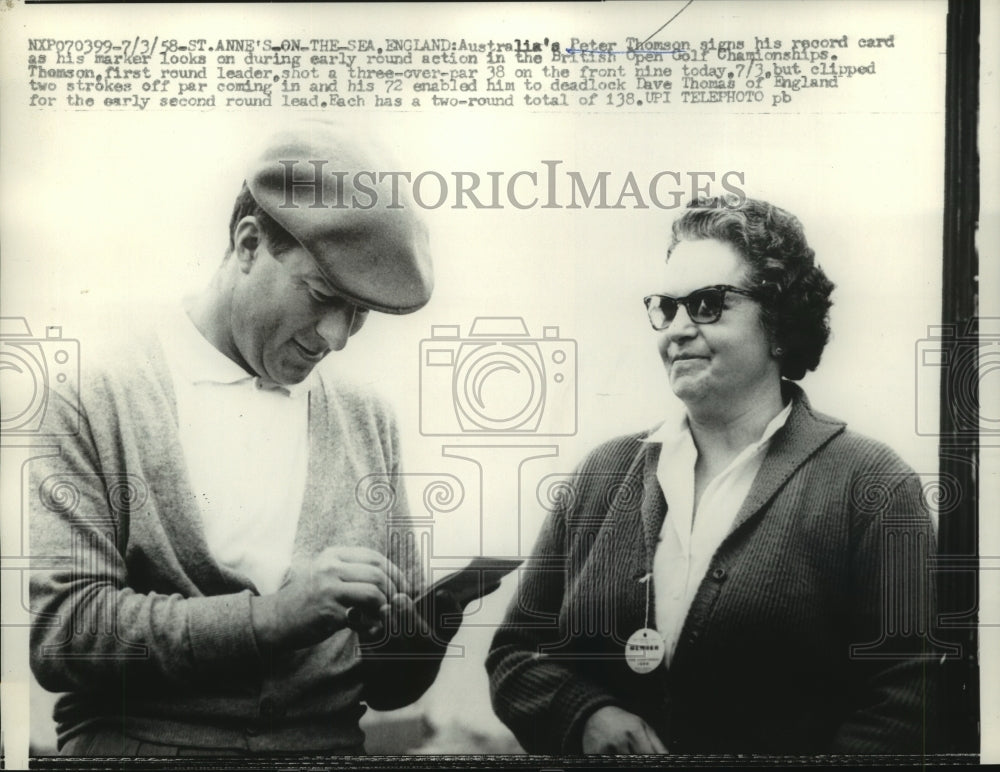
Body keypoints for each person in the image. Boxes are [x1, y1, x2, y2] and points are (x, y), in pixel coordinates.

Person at [29, 123, 458, 756]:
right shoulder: (96, 399)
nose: (336, 337)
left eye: (360, 313)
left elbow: (391, 691)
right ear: (249, 243)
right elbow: (64, 637)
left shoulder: (369, 421)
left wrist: (422, 631)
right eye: (321, 295)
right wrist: (276, 616)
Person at [486, 197, 941, 755]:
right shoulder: (601, 477)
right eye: (665, 307)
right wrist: (586, 716)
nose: (676, 330)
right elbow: (516, 655)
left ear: (778, 321)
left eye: (706, 305)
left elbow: (909, 695)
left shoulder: (872, 486)